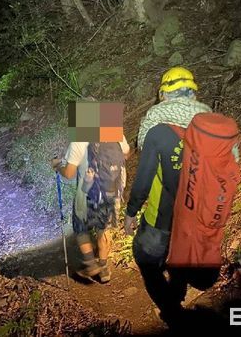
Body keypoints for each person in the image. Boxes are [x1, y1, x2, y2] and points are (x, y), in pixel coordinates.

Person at [124, 66, 214, 326]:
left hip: (163, 217)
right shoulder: (210, 126)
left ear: (164, 94)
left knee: (145, 259)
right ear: (193, 93)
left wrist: (131, 212)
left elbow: (143, 181)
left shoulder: (158, 130)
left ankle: (172, 310)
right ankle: (179, 291)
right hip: (198, 216)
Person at [51, 133, 130, 283]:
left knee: (81, 228)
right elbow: (126, 153)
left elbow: (69, 173)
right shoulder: (114, 131)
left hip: (87, 194)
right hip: (112, 193)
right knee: (103, 229)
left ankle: (90, 263)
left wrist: (58, 165)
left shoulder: (79, 140)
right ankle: (104, 267)